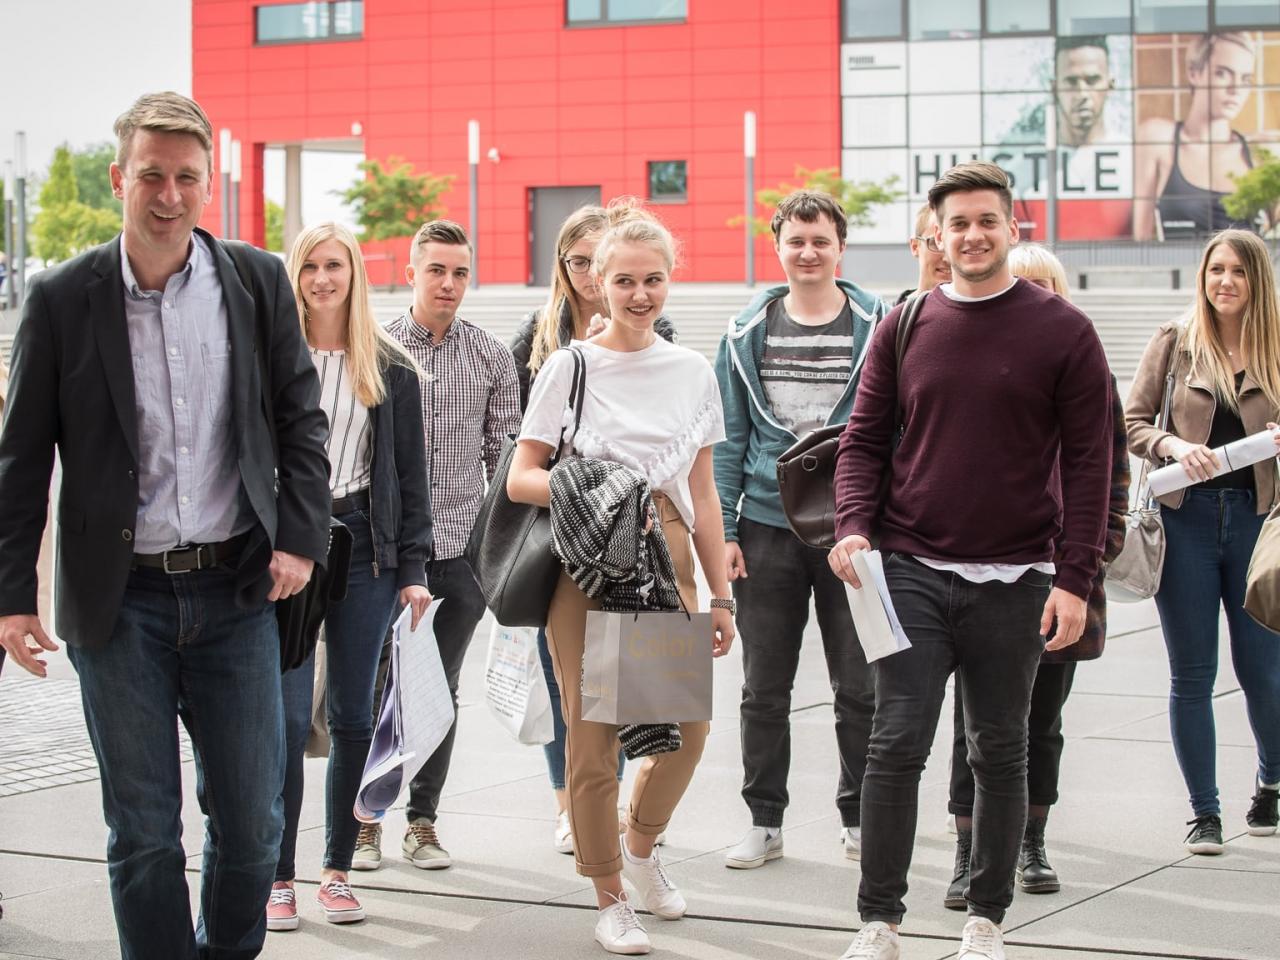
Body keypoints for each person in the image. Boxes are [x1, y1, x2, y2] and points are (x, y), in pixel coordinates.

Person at [0, 92, 331, 958]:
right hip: (122, 608)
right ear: (120, 178)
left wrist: (299, 536)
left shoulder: (255, 282)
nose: (169, 194)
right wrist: (11, 597)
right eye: (151, 174)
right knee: (144, 830)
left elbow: (302, 420)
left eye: (187, 177)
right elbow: (20, 460)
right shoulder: (62, 298)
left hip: (236, 590)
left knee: (256, 825)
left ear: (207, 183)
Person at [828, 161, 1113, 960]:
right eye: (958, 224)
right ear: (938, 236)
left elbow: (1091, 465)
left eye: (987, 221)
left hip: (1018, 579)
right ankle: (878, 921)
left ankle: (985, 920)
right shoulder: (907, 322)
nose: (973, 235)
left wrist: (1077, 580)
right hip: (912, 568)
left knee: (1000, 747)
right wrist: (853, 525)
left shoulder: (1063, 330)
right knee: (897, 742)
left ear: (1011, 228)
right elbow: (862, 440)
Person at [508, 210, 735, 955]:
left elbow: (703, 494)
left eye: (653, 279)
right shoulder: (569, 366)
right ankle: (609, 896)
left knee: (687, 736)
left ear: (671, 279)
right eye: (624, 280)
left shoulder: (693, 371)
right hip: (589, 563)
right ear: (596, 283)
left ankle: (640, 850)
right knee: (594, 737)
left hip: (668, 555)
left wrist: (721, 592)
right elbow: (520, 477)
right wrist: (598, 487)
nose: (640, 294)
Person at [943, 243, 1131, 906]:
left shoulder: (1084, 365)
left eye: (1047, 285)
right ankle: (967, 855)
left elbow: (1110, 478)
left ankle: (1030, 842)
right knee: (976, 723)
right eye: (1024, 285)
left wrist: (1086, 566)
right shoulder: (974, 361)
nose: (1036, 296)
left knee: (1040, 723)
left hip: (1058, 576)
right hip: (981, 574)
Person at [266, 223, 433, 930]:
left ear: (354, 273)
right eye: (309, 266)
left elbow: (409, 476)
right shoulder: (273, 358)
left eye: (334, 265)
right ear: (294, 274)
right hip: (288, 545)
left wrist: (415, 569)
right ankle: (278, 877)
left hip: (366, 544)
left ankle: (335, 870)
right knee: (281, 717)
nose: (322, 279)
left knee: (354, 715)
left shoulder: (389, 365)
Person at [714, 190, 884, 870]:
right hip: (764, 525)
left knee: (860, 686)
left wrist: (877, 524)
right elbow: (729, 438)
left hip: (851, 532)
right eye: (796, 241)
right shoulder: (744, 332)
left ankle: (860, 818)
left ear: (840, 248)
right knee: (764, 688)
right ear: (778, 246)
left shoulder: (880, 326)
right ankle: (763, 820)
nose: (808, 252)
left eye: (821, 240)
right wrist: (725, 530)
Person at [353, 219, 521, 872]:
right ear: (411, 273)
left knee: (437, 690)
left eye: (459, 272)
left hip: (458, 557)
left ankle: (423, 821)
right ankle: (364, 823)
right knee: (372, 688)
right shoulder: (378, 346)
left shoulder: (491, 356)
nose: (448, 284)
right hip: (385, 555)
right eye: (436, 271)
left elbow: (503, 463)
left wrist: (496, 555)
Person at [509, 201, 677, 854]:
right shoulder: (546, 340)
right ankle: (577, 812)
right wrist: (586, 486)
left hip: (649, 542)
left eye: (650, 279)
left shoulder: (666, 343)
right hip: (567, 537)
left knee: (653, 698)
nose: (591, 275)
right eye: (580, 262)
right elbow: (520, 452)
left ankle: (630, 823)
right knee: (577, 700)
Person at [1125, 228, 1280, 854]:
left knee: (1264, 669)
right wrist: (1173, 445)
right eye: (1216, 269)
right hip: (1184, 523)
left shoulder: (1275, 345)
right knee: (1192, 672)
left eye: (1238, 272)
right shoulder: (1175, 340)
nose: (1225, 282)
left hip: (1257, 521)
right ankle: (1205, 812)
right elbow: (1133, 422)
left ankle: (1271, 784)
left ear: (1257, 280)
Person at [1134, 33, 1267, 240]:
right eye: (1223, 73)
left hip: (1242, 270)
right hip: (1177, 269)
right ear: (1194, 73)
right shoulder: (1157, 138)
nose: (1235, 89)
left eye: (1245, 79)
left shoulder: (1260, 152)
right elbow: (1139, 236)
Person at [1055, 36, 1115, 149]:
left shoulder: (1134, 158)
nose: (1082, 94)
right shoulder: (1024, 164)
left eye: (1092, 81)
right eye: (1071, 82)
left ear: (1110, 86)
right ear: (1054, 89)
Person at [895, 202, 951, 305]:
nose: (948, 257)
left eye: (954, 244)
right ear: (915, 246)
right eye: (935, 243)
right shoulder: (887, 316)